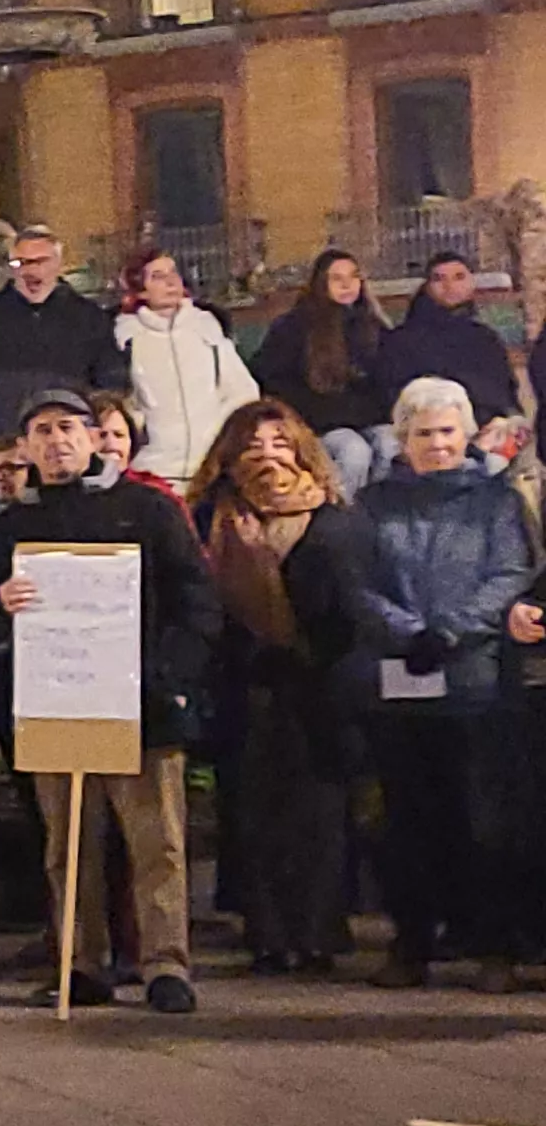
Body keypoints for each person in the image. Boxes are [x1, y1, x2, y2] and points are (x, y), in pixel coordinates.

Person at [0, 387, 221, 1012]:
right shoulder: (9, 528)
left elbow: (195, 597)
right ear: (24, 448)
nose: (56, 442)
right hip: (55, 701)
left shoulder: (148, 509)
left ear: (94, 437)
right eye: (42, 431)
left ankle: (166, 964)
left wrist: (170, 676)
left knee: (155, 841)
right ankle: (79, 961)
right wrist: (1, 609)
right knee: (68, 843)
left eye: (68, 428)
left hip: (143, 703)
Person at [356, 375, 528, 991]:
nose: (437, 444)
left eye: (447, 431)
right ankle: (411, 943)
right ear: (402, 438)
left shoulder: (495, 500)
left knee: (482, 821)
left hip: (474, 679)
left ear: (467, 433)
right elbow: (360, 583)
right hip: (402, 680)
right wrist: (407, 633)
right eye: (424, 433)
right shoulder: (374, 504)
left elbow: (509, 572)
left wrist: (452, 631)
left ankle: (492, 947)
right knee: (406, 822)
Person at [195, 402, 369, 977]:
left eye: (278, 440)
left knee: (320, 815)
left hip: (318, 683)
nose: (267, 453)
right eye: (252, 443)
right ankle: (266, 934)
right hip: (243, 684)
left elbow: (355, 603)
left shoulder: (336, 519)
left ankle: (318, 931)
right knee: (250, 814)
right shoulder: (209, 520)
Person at [0, 226, 125, 437]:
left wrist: (85, 423)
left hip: (69, 444)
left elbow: (111, 379)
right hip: (6, 444)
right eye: (19, 262)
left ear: (58, 263)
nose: (29, 271)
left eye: (40, 261)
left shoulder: (90, 318)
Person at [115, 249, 257, 490]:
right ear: (139, 289)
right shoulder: (125, 337)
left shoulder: (206, 326)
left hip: (211, 468)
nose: (171, 281)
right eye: (157, 276)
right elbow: (123, 401)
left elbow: (242, 391)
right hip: (153, 470)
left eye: (173, 272)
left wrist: (220, 436)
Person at [255, 248, 393, 494]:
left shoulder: (374, 326)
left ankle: (378, 513)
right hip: (319, 423)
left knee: (390, 444)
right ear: (321, 283)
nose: (347, 285)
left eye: (353, 277)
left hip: (369, 419)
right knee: (353, 452)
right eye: (336, 278)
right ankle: (342, 517)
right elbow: (275, 381)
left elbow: (387, 381)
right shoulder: (294, 327)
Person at [379, 250, 524, 426]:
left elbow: (506, 395)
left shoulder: (485, 338)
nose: (450, 286)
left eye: (459, 277)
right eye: (439, 279)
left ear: (471, 283)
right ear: (427, 286)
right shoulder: (402, 340)